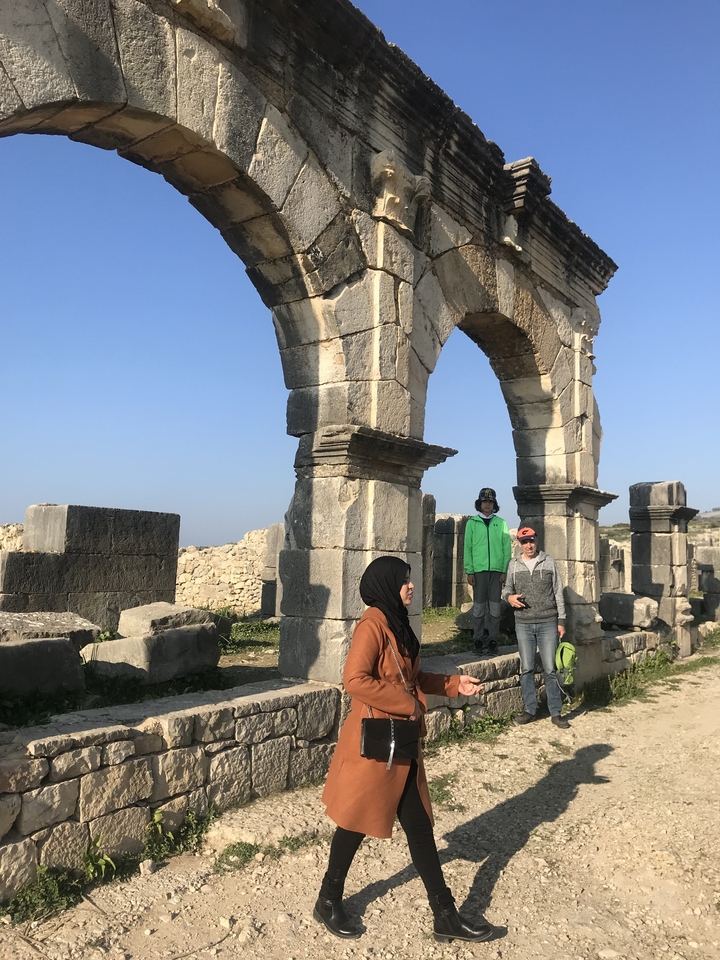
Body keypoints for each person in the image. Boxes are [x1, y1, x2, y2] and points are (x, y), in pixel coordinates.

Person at [316, 556, 493, 944]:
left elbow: (409, 677)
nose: (411, 586)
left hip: (401, 741)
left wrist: (452, 684)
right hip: (380, 743)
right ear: (386, 585)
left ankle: (444, 915)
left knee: (418, 826)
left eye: (411, 579)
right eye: (404, 580)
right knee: (355, 822)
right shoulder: (372, 624)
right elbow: (354, 680)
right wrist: (407, 704)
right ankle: (327, 901)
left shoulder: (396, 622)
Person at [503, 526, 570, 729]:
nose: (529, 545)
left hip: (548, 622)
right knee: (527, 669)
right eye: (524, 542)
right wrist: (509, 597)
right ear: (519, 544)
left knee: (550, 669)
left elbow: (558, 592)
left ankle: (555, 712)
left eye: (531, 540)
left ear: (537, 540)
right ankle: (530, 709)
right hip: (523, 623)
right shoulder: (513, 564)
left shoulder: (548, 561)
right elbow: (506, 589)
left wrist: (561, 621)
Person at [463, 487, 512, 654]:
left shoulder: (501, 523)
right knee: (478, 608)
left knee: (495, 608)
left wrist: (505, 570)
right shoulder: (472, 523)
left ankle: (493, 640)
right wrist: (469, 571)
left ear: (494, 504)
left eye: (490, 501)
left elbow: (506, 549)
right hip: (478, 571)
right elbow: (468, 548)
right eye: (484, 501)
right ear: (479, 503)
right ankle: (477, 639)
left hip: (497, 572)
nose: (487, 504)